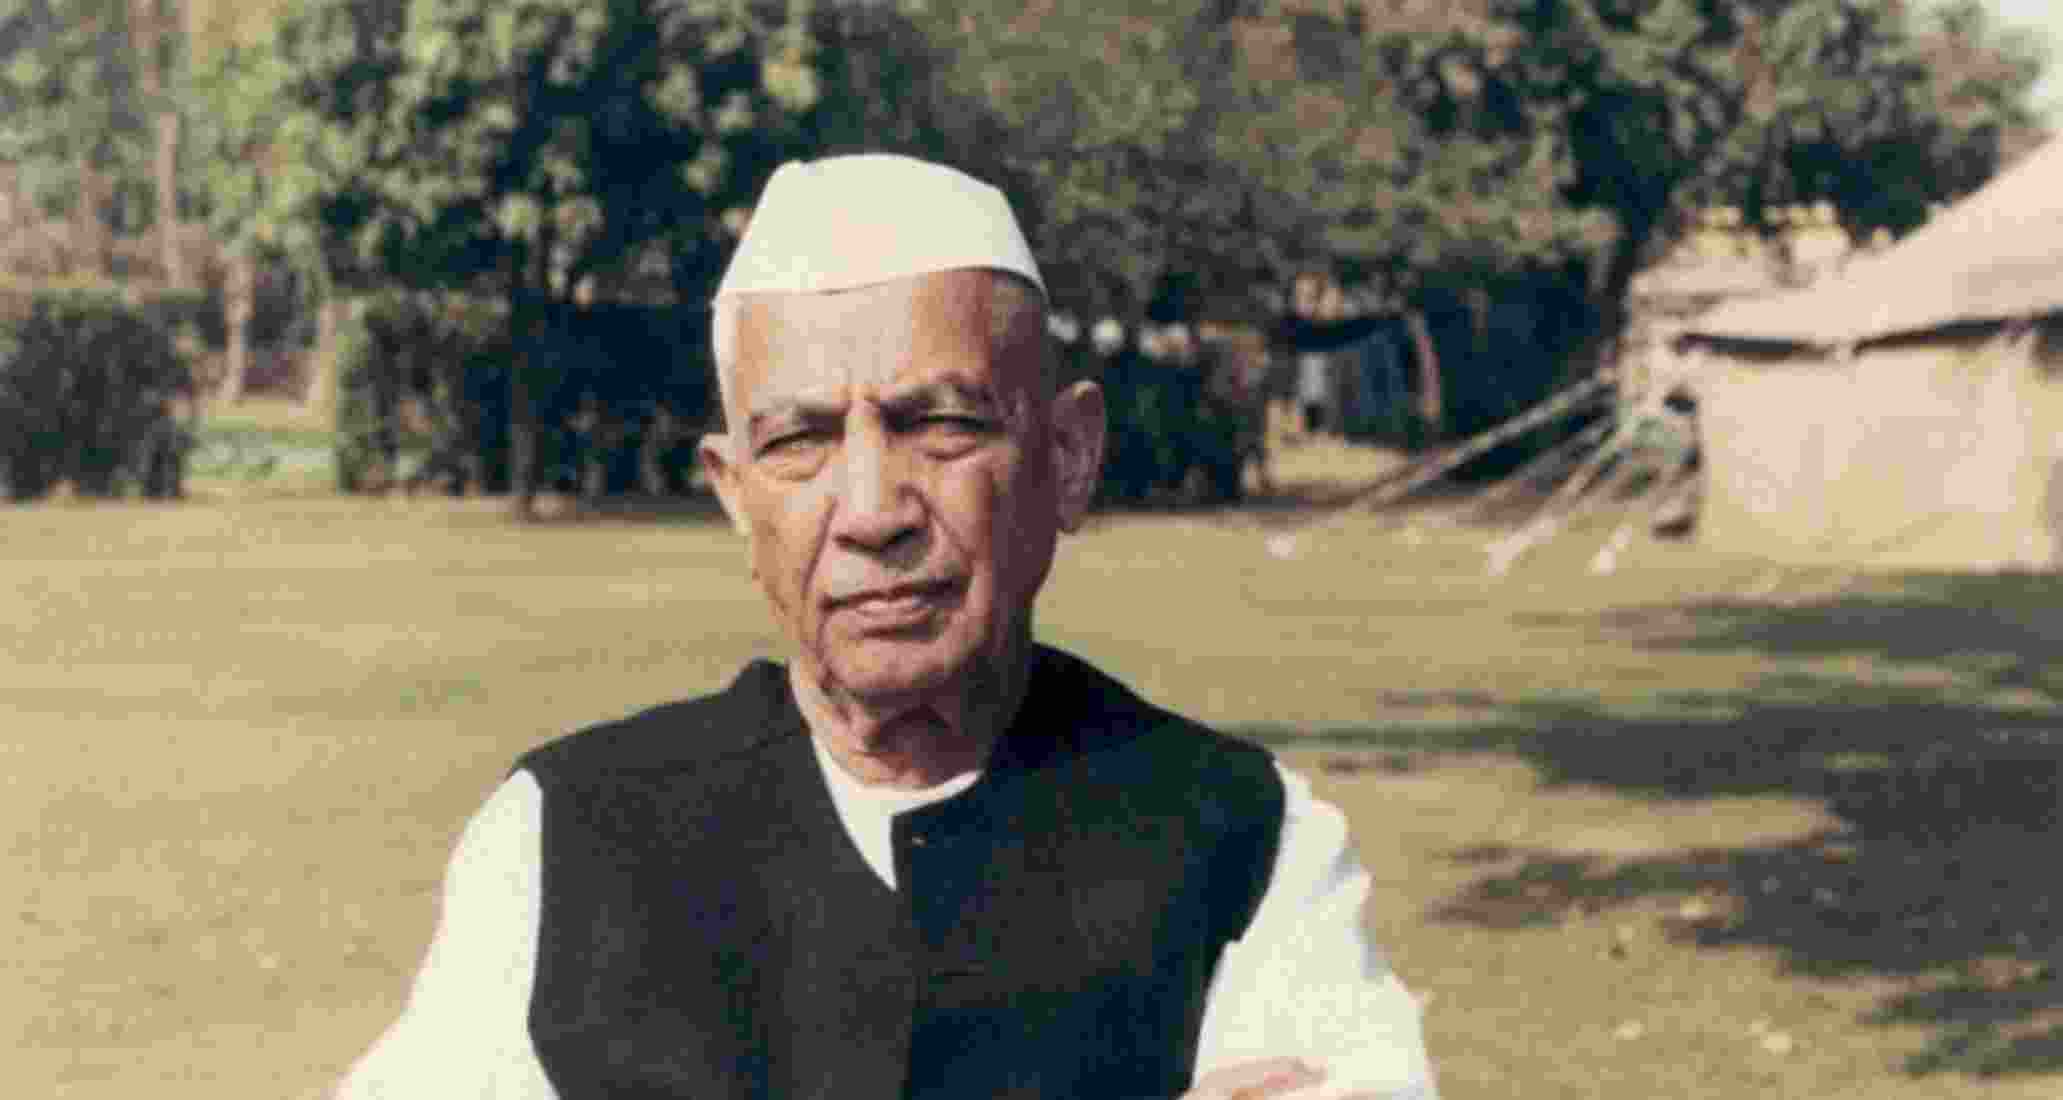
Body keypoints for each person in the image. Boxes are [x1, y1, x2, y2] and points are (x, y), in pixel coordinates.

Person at [332, 154, 1440, 1100]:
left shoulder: (1246, 842)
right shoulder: (561, 837)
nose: (871, 511)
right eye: (799, 442)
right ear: (735, 493)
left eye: (940, 423)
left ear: (1065, 458)